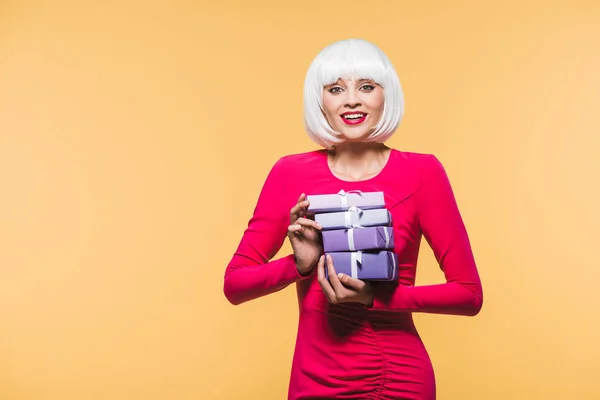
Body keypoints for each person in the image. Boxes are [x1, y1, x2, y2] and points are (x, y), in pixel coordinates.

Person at [223, 38, 483, 400]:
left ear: (384, 96)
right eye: (335, 89)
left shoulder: (423, 172)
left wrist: (376, 298)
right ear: (321, 102)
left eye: (366, 87)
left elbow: (469, 295)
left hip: (398, 376)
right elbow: (235, 285)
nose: (351, 100)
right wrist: (299, 265)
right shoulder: (290, 173)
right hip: (315, 377)